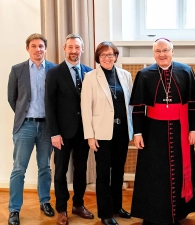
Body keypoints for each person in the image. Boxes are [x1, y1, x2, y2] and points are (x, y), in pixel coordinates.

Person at [130, 37, 195, 224]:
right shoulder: (144, 74)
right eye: (158, 51)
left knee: (178, 170)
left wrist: (194, 129)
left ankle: (178, 212)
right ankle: (153, 213)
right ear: (153, 53)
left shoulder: (185, 71)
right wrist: (137, 133)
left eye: (165, 50)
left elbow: (193, 104)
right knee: (153, 172)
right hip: (153, 131)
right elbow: (138, 108)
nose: (162, 54)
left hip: (180, 129)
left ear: (172, 51)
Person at [81, 41, 133, 225]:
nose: (108, 58)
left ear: (116, 56)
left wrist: (133, 131)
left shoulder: (125, 75)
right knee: (103, 174)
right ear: (98, 58)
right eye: (103, 55)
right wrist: (90, 136)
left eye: (111, 54)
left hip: (121, 132)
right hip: (101, 134)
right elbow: (85, 108)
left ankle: (117, 207)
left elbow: (130, 105)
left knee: (119, 172)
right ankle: (105, 214)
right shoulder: (90, 77)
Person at [7, 33, 57, 225]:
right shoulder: (17, 70)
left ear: (46, 49)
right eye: (34, 46)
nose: (38, 50)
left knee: (44, 167)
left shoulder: (53, 69)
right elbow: (13, 99)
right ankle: (14, 209)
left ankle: (45, 201)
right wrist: (24, 114)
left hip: (47, 126)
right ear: (27, 48)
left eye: (41, 46)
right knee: (19, 169)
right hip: (25, 126)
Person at [45, 34, 94, 225]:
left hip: (84, 132)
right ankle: (62, 209)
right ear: (64, 49)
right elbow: (49, 104)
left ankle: (78, 204)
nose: (74, 51)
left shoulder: (90, 73)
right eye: (70, 47)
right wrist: (54, 133)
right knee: (60, 172)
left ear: (82, 49)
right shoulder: (55, 73)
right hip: (62, 134)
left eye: (77, 47)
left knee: (81, 170)